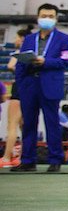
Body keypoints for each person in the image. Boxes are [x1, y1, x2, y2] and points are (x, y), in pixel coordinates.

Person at [12, 4, 68, 173]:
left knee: (52, 123)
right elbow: (20, 63)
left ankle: (55, 160)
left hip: (50, 84)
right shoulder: (30, 39)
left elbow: (66, 61)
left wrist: (46, 62)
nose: (47, 18)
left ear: (56, 18)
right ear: (38, 17)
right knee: (28, 123)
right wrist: (21, 82)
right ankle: (28, 160)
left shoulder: (64, 39)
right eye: (44, 15)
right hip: (30, 85)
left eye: (50, 16)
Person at [1, 27, 29, 168]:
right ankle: (23, 157)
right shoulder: (37, 54)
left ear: (23, 39)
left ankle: (6, 158)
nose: (15, 41)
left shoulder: (20, 53)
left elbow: (10, 66)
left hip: (19, 88)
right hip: (31, 89)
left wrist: (20, 68)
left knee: (12, 125)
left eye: (17, 37)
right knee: (25, 126)